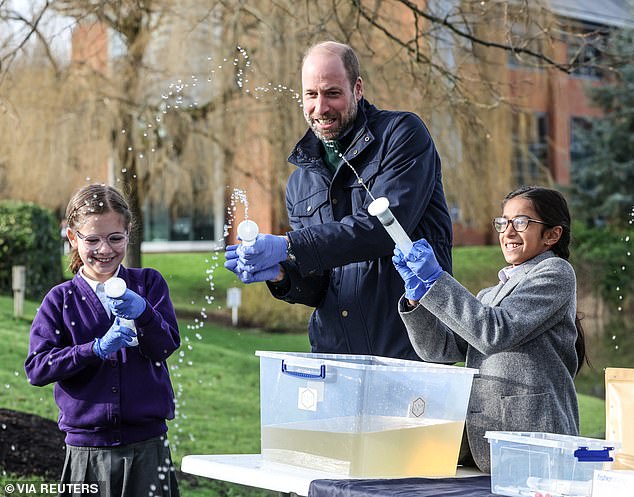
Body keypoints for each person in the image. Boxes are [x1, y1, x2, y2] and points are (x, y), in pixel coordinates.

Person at [225, 41, 452, 360]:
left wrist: (289, 245)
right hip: (335, 360)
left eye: (332, 93)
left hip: (410, 351)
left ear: (357, 88)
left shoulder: (401, 135)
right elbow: (320, 286)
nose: (320, 108)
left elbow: (381, 231)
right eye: (311, 95)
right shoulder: (299, 181)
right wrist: (280, 273)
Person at [392, 186, 587, 473]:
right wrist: (416, 298)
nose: (508, 232)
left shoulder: (555, 272)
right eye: (503, 222)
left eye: (521, 222)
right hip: (486, 444)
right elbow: (438, 350)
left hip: (533, 443)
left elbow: (494, 333)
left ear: (552, 235)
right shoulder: (488, 295)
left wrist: (437, 280)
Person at [24, 184, 180, 497]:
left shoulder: (148, 284)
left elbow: (165, 345)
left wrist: (144, 312)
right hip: (87, 453)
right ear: (72, 237)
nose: (104, 249)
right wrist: (93, 349)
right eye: (92, 239)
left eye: (115, 238)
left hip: (148, 449)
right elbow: (37, 369)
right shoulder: (61, 300)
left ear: (128, 234)